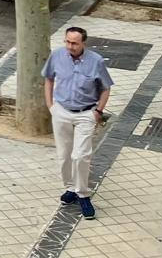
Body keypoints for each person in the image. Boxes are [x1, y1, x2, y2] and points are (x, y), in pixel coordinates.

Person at [43, 26, 114, 220]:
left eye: (74, 43)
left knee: (81, 155)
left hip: (86, 113)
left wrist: (98, 111)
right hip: (62, 111)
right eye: (67, 41)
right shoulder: (57, 56)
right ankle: (70, 189)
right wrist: (51, 106)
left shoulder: (96, 61)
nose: (70, 46)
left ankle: (83, 194)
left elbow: (106, 88)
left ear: (84, 43)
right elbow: (49, 78)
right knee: (64, 155)